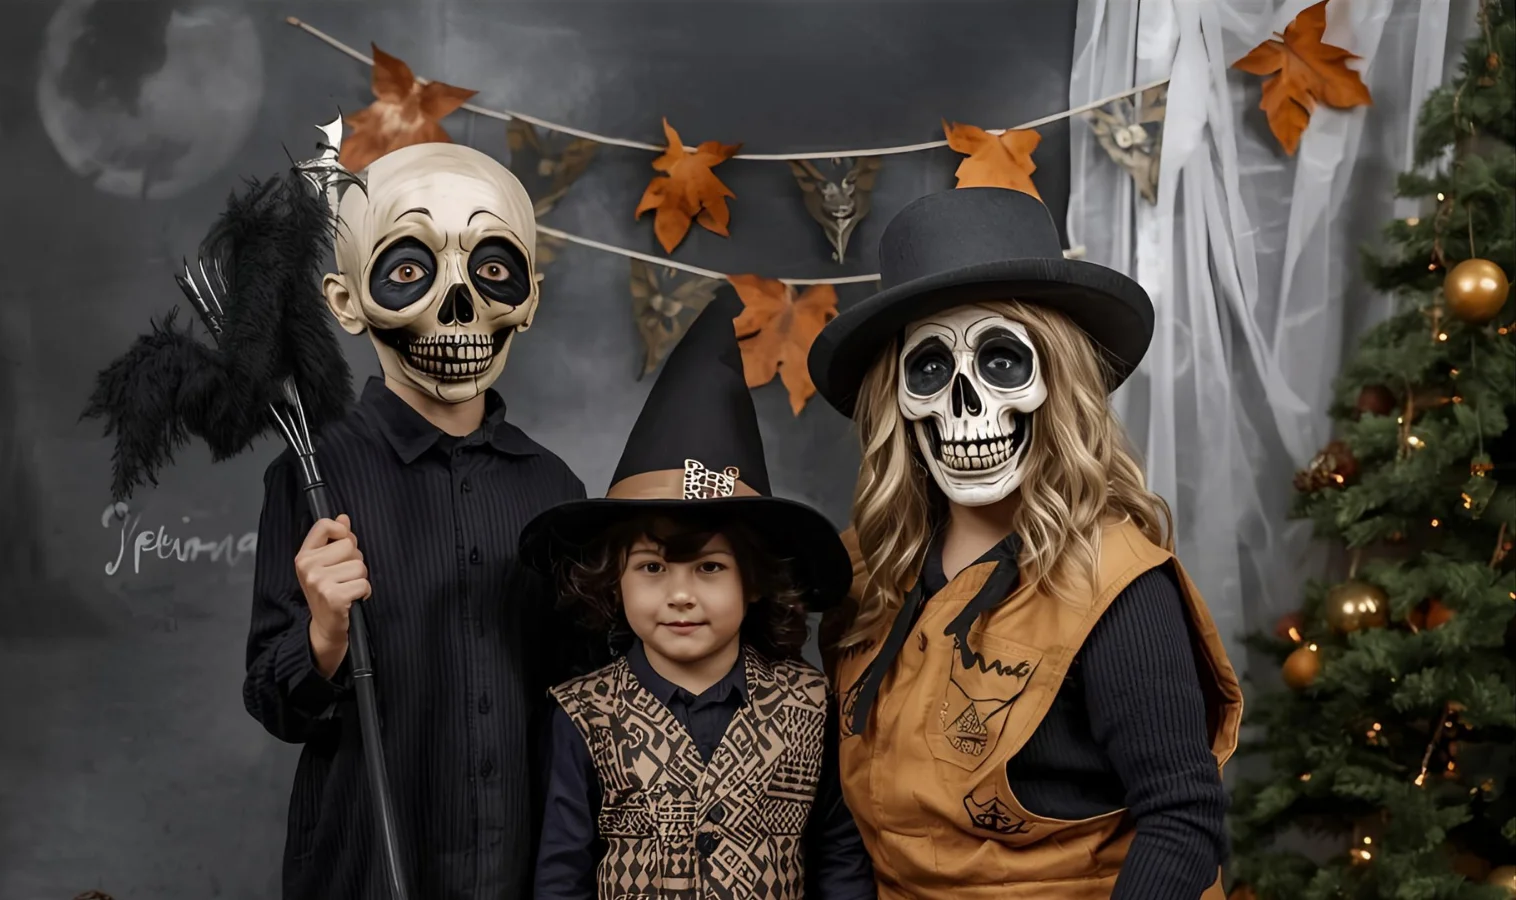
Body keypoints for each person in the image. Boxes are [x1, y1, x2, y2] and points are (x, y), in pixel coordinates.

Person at [805, 187, 1243, 899]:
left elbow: (1181, 817)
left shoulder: (1117, 583)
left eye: (1003, 363)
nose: (966, 407)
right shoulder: (866, 570)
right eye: (930, 371)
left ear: (1059, 383)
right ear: (898, 402)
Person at [242, 134, 587, 899]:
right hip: (363, 873)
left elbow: (583, 705)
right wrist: (323, 634)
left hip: (520, 875)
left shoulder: (555, 488)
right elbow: (274, 701)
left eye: (493, 269)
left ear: (527, 300)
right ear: (348, 302)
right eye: (409, 270)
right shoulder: (310, 478)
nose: (459, 305)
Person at [521, 289, 877, 899]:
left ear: (755, 580)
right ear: (614, 579)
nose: (680, 595)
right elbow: (562, 871)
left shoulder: (811, 705)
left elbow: (838, 853)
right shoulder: (582, 715)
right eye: (653, 568)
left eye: (709, 568)